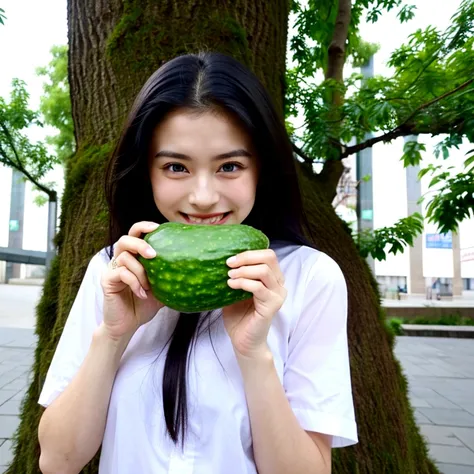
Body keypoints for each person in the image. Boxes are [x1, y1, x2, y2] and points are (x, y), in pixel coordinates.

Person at [37, 52, 358, 474]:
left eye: (229, 166)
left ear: (261, 169)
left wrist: (254, 354)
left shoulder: (310, 278)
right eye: (175, 167)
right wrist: (114, 336)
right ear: (146, 173)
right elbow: (58, 462)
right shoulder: (115, 270)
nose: (203, 196)